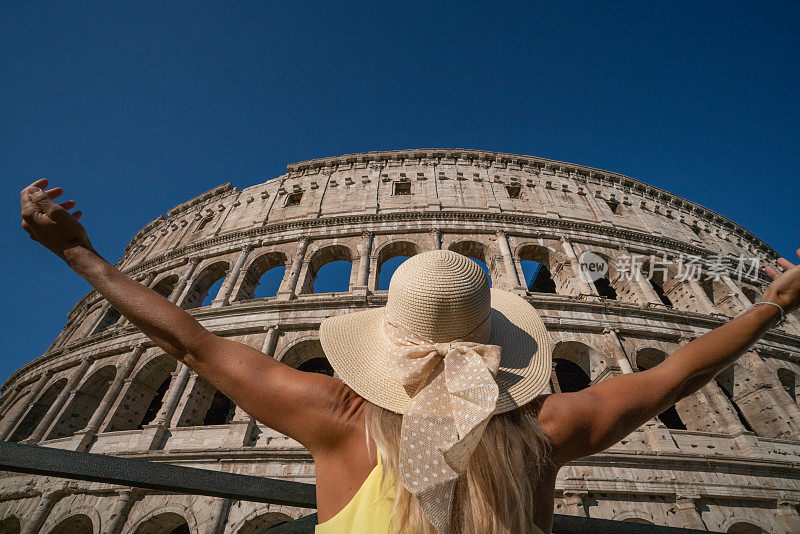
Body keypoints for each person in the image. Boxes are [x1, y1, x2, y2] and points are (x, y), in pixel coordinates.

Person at [18, 178, 800, 534]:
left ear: (386, 343)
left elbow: (187, 340)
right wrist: (770, 306)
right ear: (497, 345)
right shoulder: (546, 431)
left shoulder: (335, 418)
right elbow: (679, 370)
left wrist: (82, 256)